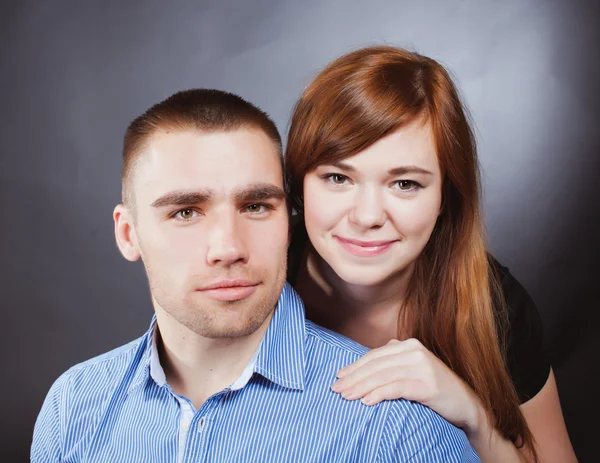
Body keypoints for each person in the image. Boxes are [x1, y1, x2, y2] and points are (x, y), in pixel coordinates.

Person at [31, 89, 479, 462]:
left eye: (256, 206)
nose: (228, 248)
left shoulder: (398, 430)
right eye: (186, 212)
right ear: (129, 234)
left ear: (289, 219)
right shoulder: (73, 406)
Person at [285, 46, 577, 462]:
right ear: (299, 183)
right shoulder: (259, 277)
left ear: (446, 197)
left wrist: (472, 417)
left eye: (404, 184)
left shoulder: (496, 308)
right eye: (337, 177)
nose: (367, 217)